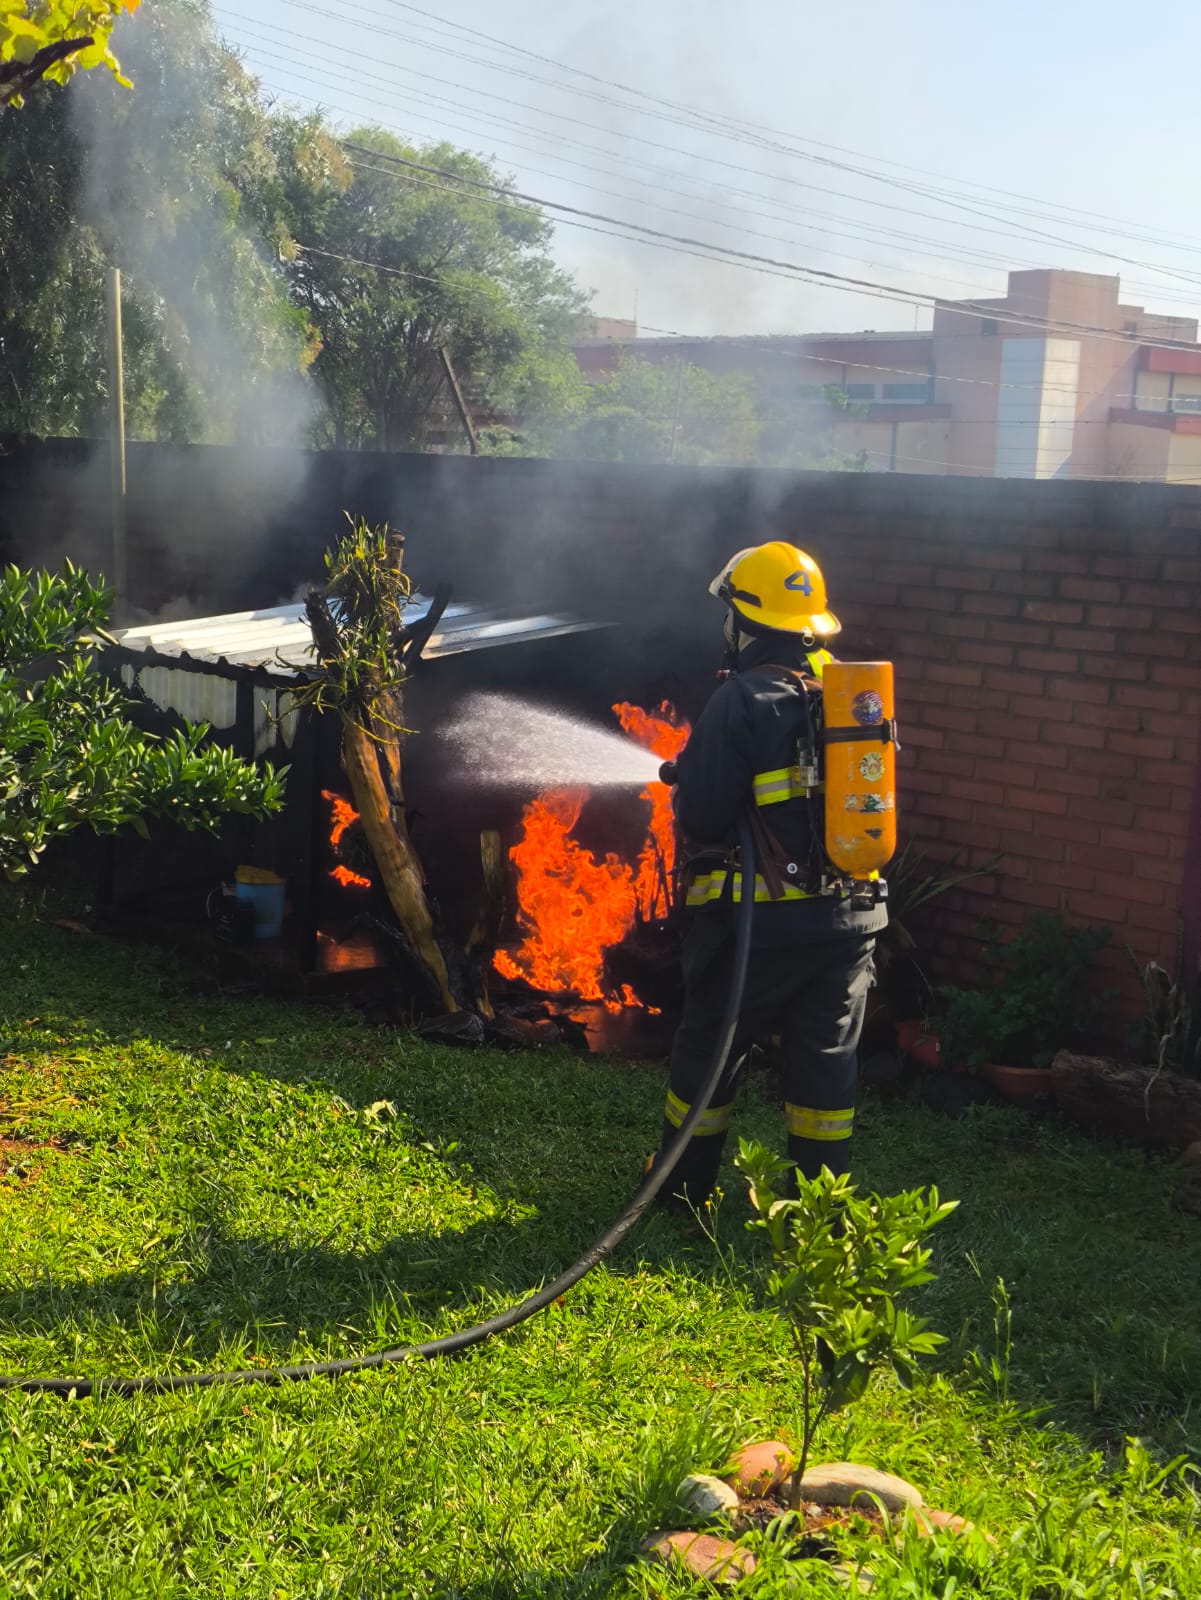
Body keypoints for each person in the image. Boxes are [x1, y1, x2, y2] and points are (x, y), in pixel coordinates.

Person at [649, 541, 888, 1210]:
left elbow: (703, 815)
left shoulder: (742, 699)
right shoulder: (848, 695)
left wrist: (688, 782)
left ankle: (681, 1193)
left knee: (710, 1051)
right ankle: (816, 1213)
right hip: (851, 918)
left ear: (745, 620)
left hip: (760, 924)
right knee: (825, 1067)